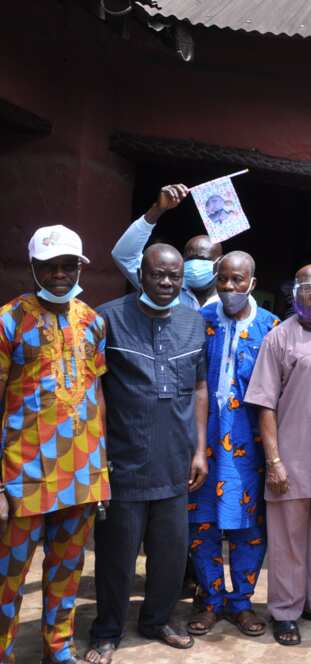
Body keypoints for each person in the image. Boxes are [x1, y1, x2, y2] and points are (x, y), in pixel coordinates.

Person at [87, 243, 209, 663]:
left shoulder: (194, 323)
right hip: (123, 461)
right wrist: (98, 451)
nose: (166, 282)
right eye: (158, 274)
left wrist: (200, 451)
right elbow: (96, 389)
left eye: (174, 276)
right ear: (141, 274)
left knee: (171, 554)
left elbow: (199, 387)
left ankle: (157, 620)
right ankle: (107, 631)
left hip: (176, 462)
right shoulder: (109, 318)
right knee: (116, 556)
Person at [0, 226, 108, 663]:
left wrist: (101, 466)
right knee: (8, 575)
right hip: (21, 474)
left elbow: (95, 393)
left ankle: (57, 649)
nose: (60, 274)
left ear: (81, 267)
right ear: (33, 268)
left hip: (80, 472)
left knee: (66, 571)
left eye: (68, 266)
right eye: (50, 266)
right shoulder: (9, 320)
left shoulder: (93, 322)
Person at [243, 265, 311, 646]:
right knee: (287, 540)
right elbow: (264, 405)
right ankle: (285, 611)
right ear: (294, 293)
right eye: (306, 288)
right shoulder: (279, 337)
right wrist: (274, 461)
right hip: (289, 460)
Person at [185, 251, 278, 639]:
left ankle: (240, 602)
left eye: (237, 280)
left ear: (252, 283)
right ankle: (209, 601)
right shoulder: (198, 322)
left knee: (248, 528)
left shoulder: (271, 328)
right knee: (201, 524)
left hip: (249, 447)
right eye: (222, 279)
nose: (229, 287)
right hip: (202, 441)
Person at [111, 183, 222, 310]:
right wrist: (157, 209)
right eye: (189, 259)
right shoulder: (166, 287)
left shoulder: (232, 298)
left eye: (202, 259)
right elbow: (125, 256)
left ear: (219, 263)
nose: (195, 265)